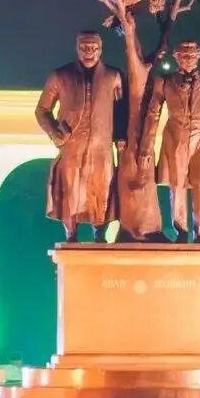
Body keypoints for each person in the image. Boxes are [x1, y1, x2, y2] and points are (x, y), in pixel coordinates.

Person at [35, 30, 122, 243]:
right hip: (72, 145)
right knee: (70, 191)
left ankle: (99, 235)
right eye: (84, 47)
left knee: (101, 190)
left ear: (100, 50)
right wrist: (56, 134)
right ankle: (71, 235)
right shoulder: (60, 76)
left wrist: (121, 138)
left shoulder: (113, 77)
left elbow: (122, 111)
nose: (89, 52)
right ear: (77, 48)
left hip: (101, 148)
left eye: (93, 47)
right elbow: (42, 110)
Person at [149, 40, 200, 241]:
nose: (189, 60)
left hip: (199, 139)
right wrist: (146, 145)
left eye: (192, 55)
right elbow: (153, 113)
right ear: (176, 58)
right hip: (175, 138)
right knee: (177, 185)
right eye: (184, 56)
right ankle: (181, 229)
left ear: (199, 56)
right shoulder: (165, 82)